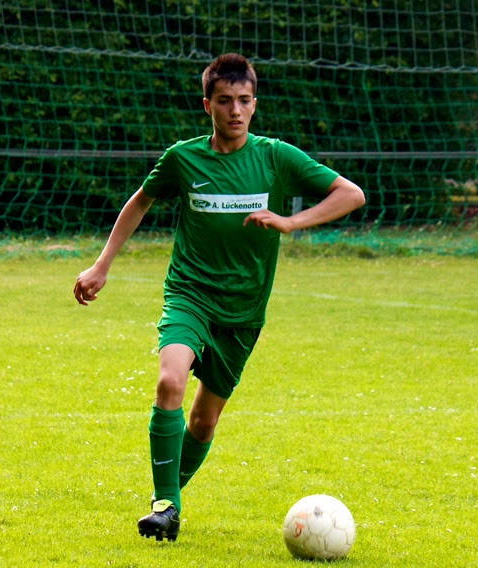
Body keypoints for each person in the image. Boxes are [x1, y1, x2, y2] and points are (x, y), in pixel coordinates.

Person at [73, 53, 366, 542]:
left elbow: (351, 194)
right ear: (207, 104)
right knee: (169, 380)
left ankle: (170, 501)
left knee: (204, 423)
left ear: (255, 104)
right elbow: (141, 200)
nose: (235, 110)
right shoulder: (183, 158)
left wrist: (290, 221)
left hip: (243, 311)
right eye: (225, 100)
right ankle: (164, 505)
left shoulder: (275, 157)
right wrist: (102, 265)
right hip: (190, 294)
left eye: (244, 100)